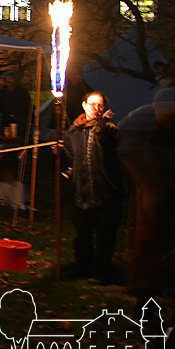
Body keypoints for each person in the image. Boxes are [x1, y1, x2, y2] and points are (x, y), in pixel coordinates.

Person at [62, 91, 124, 282]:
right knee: (83, 233)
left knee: (105, 234)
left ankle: (101, 271)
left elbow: (110, 146)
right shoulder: (73, 131)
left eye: (100, 105)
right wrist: (59, 153)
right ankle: (83, 266)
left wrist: (103, 127)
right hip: (82, 189)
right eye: (92, 104)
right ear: (84, 105)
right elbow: (71, 156)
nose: (96, 109)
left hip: (104, 190)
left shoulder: (109, 129)